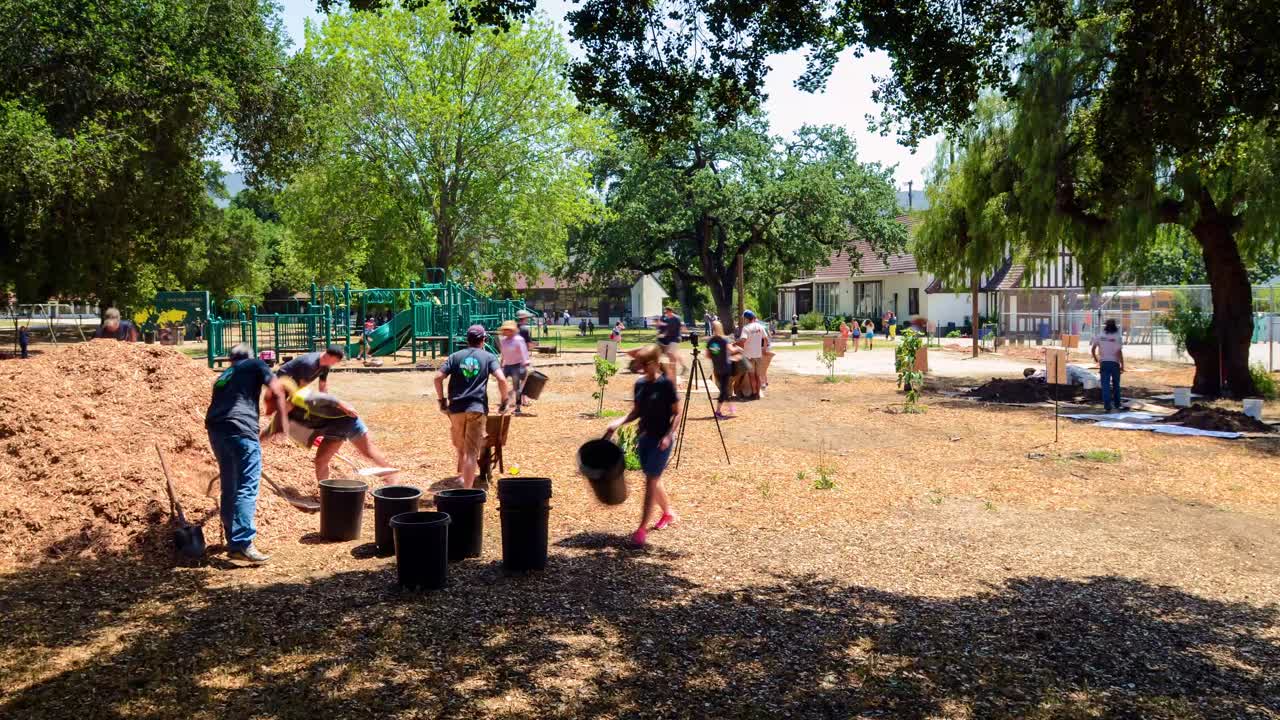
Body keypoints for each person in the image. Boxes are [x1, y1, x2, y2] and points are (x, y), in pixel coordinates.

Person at [206, 343, 290, 564]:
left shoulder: (224, 375)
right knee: (247, 486)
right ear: (249, 356)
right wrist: (281, 422)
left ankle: (232, 541)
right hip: (241, 428)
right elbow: (277, 389)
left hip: (216, 429)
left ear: (231, 359)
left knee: (229, 485)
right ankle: (243, 543)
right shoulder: (256, 364)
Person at [604, 345, 680, 547]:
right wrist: (617, 423)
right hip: (645, 438)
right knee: (653, 478)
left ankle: (641, 529)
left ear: (655, 363)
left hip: (661, 440)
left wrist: (668, 436)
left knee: (650, 481)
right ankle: (668, 513)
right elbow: (636, 412)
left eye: (643, 364)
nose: (640, 368)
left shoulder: (666, 385)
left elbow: (677, 413)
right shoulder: (640, 385)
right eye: (639, 364)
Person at [264, 378, 398, 483]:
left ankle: (392, 477)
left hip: (348, 420)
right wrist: (255, 442)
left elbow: (326, 398)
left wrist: (342, 404)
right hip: (332, 431)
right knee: (320, 461)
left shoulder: (301, 397)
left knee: (368, 452)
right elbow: (271, 430)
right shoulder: (284, 414)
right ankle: (326, 494)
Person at [434, 325, 509, 488]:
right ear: (483, 340)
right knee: (471, 453)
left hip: (456, 409)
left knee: (460, 446)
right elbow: (502, 380)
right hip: (476, 408)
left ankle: (463, 477)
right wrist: (505, 401)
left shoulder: (454, 356)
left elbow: (438, 378)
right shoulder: (489, 357)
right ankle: (467, 492)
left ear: (467, 340)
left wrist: (442, 401)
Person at [705, 321, 740, 419]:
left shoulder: (710, 341)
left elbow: (707, 355)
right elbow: (732, 350)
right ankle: (718, 411)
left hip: (717, 368)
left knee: (723, 389)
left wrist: (716, 354)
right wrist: (739, 349)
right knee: (724, 389)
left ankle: (730, 407)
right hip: (726, 367)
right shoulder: (725, 339)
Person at [276, 345, 345, 393]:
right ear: (327, 356)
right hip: (284, 377)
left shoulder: (326, 365)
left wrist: (325, 400)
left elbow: (322, 385)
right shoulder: (310, 364)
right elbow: (301, 385)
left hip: (298, 382)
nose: (336, 362)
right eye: (336, 360)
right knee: (289, 401)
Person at [1091, 318, 1125, 412]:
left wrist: (1096, 359)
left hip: (1104, 363)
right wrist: (1122, 365)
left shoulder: (1100, 336)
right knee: (1116, 385)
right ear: (1115, 326)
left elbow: (1093, 349)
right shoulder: (1117, 337)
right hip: (1114, 363)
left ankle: (1107, 406)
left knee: (1105, 385)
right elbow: (1119, 352)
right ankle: (1117, 404)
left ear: (1105, 326)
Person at [498, 320, 532, 416]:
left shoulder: (518, 340)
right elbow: (503, 353)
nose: (505, 331)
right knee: (501, 383)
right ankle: (504, 403)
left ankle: (517, 407)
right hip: (507, 365)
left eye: (507, 329)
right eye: (504, 329)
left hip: (517, 365)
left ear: (512, 330)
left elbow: (523, 351)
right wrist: (501, 363)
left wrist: (526, 362)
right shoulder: (503, 340)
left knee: (516, 388)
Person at [736, 310, 769, 399]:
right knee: (757, 376)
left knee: (752, 375)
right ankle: (757, 394)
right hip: (758, 355)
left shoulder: (746, 328)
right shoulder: (760, 327)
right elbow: (766, 339)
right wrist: (764, 349)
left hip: (749, 355)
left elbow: (743, 340)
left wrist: (735, 344)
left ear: (746, 319)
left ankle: (754, 393)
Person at [656, 307, 684, 379]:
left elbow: (682, 326)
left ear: (670, 311)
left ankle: (673, 369)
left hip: (675, 339)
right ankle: (674, 369)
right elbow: (667, 328)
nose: (666, 314)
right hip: (670, 339)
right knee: (671, 354)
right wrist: (663, 335)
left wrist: (681, 333)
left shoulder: (677, 318)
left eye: (667, 312)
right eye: (665, 312)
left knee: (670, 353)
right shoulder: (668, 319)